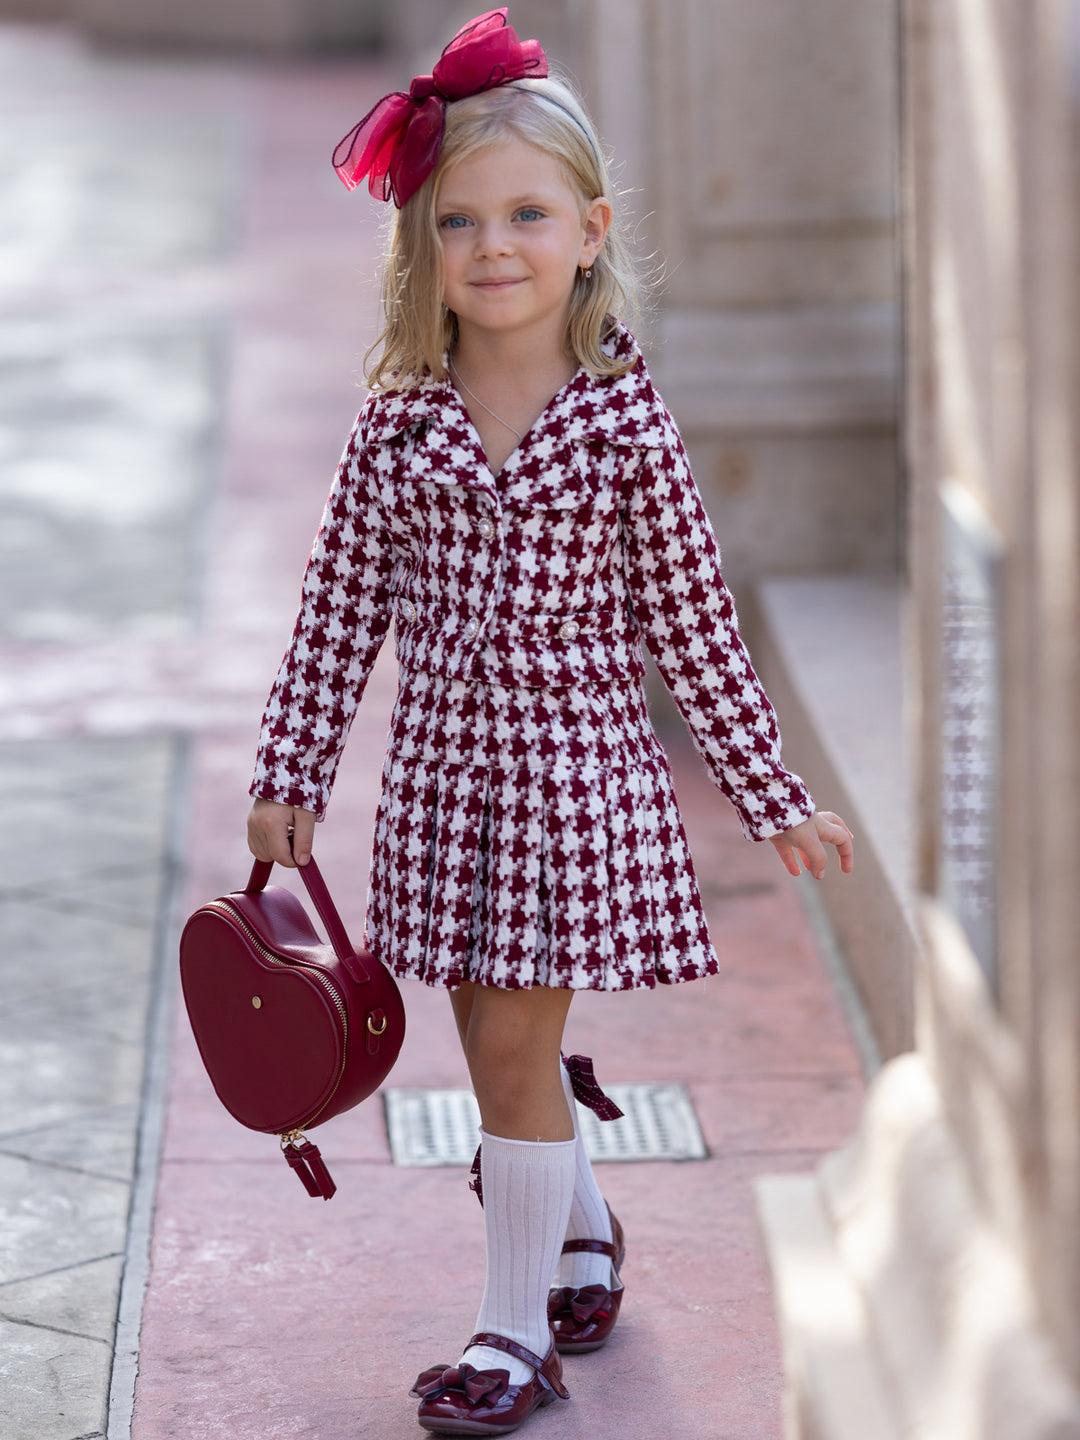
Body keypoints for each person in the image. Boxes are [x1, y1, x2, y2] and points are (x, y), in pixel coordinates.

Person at [246, 9, 855, 1436]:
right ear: (423, 251)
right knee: (489, 1041)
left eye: (527, 215)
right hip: (446, 781)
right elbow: (341, 608)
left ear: (589, 231)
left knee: (510, 1054)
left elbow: (694, 625)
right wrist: (292, 768)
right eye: (458, 223)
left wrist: (775, 795)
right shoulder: (398, 425)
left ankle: (512, 1333)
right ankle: (578, 1222)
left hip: (573, 783)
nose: (494, 248)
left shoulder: (624, 425)